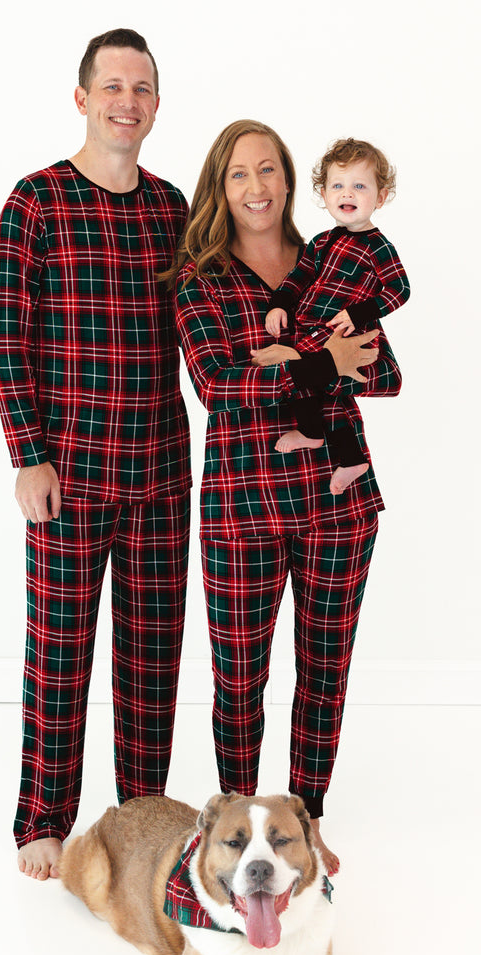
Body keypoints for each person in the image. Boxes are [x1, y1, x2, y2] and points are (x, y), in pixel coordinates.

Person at [168, 120, 402, 875]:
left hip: (340, 502)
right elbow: (218, 388)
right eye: (239, 174)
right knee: (240, 678)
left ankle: (307, 819)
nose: (257, 187)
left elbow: (385, 371)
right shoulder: (200, 278)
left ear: (290, 181)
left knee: (324, 669)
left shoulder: (334, 257)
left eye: (269, 170)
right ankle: (238, 823)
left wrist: (294, 357)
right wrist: (322, 361)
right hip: (242, 510)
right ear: (220, 187)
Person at [0, 28, 190, 882]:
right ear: (82, 98)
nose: (126, 102)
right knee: (60, 648)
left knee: (152, 655)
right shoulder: (34, 202)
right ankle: (44, 818)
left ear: (155, 104)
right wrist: (27, 455)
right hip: (66, 474)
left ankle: (142, 820)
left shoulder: (175, 208)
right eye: (112, 87)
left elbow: (210, 328)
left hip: (162, 472)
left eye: (141, 89)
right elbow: (7, 339)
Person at [265, 137, 410, 496]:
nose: (348, 194)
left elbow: (399, 289)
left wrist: (358, 312)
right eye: (338, 186)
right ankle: (346, 455)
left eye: (360, 186)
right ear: (325, 193)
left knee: (307, 372)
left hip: (342, 330)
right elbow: (299, 277)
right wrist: (280, 302)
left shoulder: (379, 247)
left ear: (381, 196)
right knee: (317, 386)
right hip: (310, 325)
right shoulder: (322, 242)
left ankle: (317, 436)